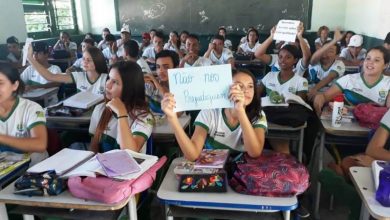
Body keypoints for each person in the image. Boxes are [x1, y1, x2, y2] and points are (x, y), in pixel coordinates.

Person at [161, 68, 267, 161]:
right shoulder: (210, 113)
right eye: (239, 86)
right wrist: (172, 118)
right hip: (212, 167)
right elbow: (192, 155)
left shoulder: (258, 115)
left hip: (242, 171)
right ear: (227, 88)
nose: (245, 91)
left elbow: (255, 152)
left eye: (250, 86)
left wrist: (240, 111)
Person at [89, 61, 153, 153]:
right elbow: (94, 149)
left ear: (130, 88)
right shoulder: (100, 109)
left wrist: (121, 114)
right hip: (104, 166)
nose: (107, 85)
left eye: (114, 82)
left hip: (133, 166)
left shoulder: (144, 117)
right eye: (108, 78)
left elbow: (130, 153)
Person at [258, 45, 309, 153]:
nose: (283, 60)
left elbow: (300, 102)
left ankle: (284, 158)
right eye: (280, 57)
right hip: (267, 117)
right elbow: (256, 94)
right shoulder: (270, 75)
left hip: (286, 119)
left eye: (288, 57)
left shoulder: (301, 81)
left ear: (295, 60)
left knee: (281, 148)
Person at [314, 46, 390, 116]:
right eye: (368, 58)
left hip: (373, 127)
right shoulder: (349, 79)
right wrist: (319, 99)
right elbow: (324, 96)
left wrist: (353, 109)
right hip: (345, 125)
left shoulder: (388, 83)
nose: (370, 62)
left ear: (385, 65)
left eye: (376, 60)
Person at [0, 63, 48, 165]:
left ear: (15, 85)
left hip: (33, 168)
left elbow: (40, 144)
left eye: (0, 83)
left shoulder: (31, 108)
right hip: (5, 170)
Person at [27, 44, 108, 95]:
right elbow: (50, 76)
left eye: (89, 60)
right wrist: (30, 58)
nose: (84, 62)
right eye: (83, 59)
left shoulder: (106, 79)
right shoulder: (78, 76)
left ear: (98, 61)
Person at [307, 29, 345, 101]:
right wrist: (334, 40)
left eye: (330, 51)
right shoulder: (316, 61)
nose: (326, 54)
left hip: (328, 94)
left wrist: (314, 90)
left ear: (337, 55)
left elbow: (329, 77)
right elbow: (312, 60)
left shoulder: (339, 64)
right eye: (325, 50)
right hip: (310, 91)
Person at [21, 41, 62, 105]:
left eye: (39, 53)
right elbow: (20, 80)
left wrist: (35, 87)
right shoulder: (30, 68)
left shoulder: (55, 69)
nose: (35, 56)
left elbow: (57, 83)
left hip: (48, 103)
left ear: (46, 54)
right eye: (34, 53)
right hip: (32, 103)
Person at [144, 50, 179, 115]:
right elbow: (143, 106)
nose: (160, 71)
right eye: (158, 67)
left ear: (175, 68)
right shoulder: (151, 84)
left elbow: (177, 113)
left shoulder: (181, 87)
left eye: (166, 67)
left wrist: (155, 82)